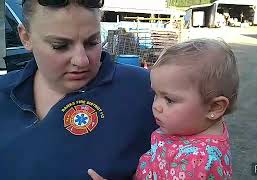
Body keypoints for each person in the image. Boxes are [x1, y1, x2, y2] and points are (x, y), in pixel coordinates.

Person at [0, 0, 157, 179]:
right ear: (26, 37)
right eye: (60, 45)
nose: (81, 61)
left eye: (92, 42)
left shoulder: (147, 90)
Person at [134, 39, 239, 179]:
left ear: (214, 107)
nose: (156, 106)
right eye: (155, 94)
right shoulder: (195, 124)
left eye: (169, 100)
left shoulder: (197, 163)